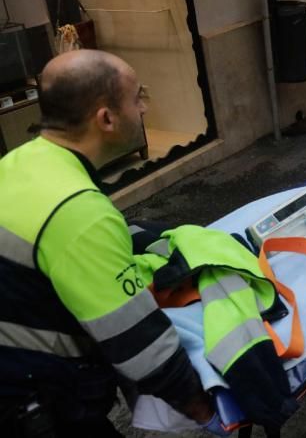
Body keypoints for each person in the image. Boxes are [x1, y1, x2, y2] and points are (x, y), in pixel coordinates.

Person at [0, 50, 222, 437]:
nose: (143, 108)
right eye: (137, 97)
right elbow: (142, 348)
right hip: (28, 399)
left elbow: (62, 247)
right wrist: (209, 414)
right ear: (106, 118)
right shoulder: (78, 212)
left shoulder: (22, 163)